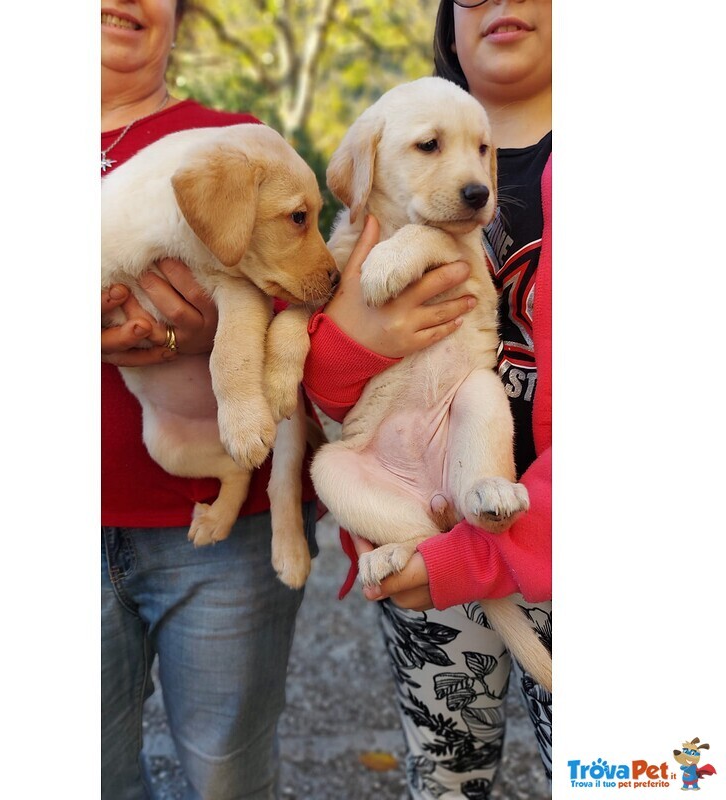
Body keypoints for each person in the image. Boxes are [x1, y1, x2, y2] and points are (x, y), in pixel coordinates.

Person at [100, 2, 473, 798]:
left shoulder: (236, 141)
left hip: (214, 516)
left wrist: (203, 336)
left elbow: (309, 314)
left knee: (228, 771)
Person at [302, 0, 552, 797]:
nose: (505, 2)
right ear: (449, 21)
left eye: (475, 148)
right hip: (418, 541)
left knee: (631, 771)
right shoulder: (382, 157)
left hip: (565, 541)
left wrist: (468, 553)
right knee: (446, 775)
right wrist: (348, 343)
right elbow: (329, 400)